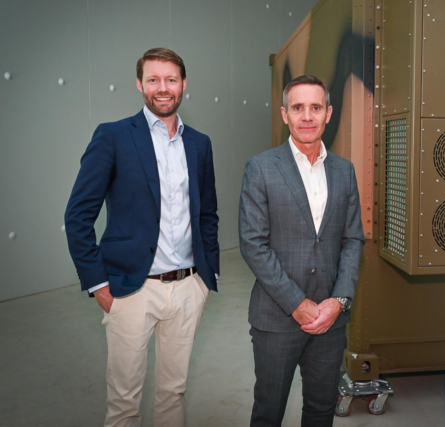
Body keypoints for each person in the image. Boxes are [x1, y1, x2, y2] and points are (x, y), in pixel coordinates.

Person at [65, 47, 219, 427]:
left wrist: (205, 275)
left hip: (187, 288)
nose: (162, 88)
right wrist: (99, 284)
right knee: (124, 402)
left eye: (170, 79)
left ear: (184, 84)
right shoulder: (113, 136)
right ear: (140, 84)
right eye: (153, 80)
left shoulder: (199, 143)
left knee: (173, 393)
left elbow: (207, 214)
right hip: (131, 290)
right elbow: (78, 215)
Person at [239, 74, 364, 427]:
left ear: (328, 113)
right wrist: (297, 303)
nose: (306, 116)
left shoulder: (344, 170)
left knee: (322, 410)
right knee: (268, 411)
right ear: (284, 114)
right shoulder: (261, 168)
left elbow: (352, 240)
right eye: (298, 108)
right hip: (277, 317)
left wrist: (338, 301)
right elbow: (253, 243)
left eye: (315, 107)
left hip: (330, 318)